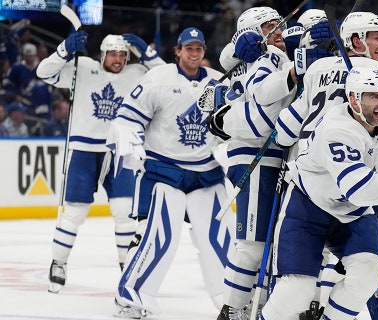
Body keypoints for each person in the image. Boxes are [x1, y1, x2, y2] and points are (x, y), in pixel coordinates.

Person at [260, 66, 378, 320]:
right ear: (353, 98)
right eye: (373, 96)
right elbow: (357, 188)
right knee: (296, 291)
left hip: (351, 212)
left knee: (368, 273)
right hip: (308, 206)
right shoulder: (337, 129)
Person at [206, 7, 333, 320]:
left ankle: (264, 305)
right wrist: (242, 47)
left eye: (280, 25)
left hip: (278, 157)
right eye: (269, 27)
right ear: (251, 32)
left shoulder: (268, 55)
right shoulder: (258, 57)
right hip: (255, 156)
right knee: (253, 243)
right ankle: (232, 308)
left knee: (277, 242)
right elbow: (258, 98)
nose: (278, 30)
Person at [112, 27, 232, 318]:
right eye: (188, 48)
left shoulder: (219, 82)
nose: (194, 53)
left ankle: (232, 300)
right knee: (156, 237)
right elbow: (127, 117)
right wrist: (131, 145)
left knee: (219, 241)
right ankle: (130, 297)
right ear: (177, 51)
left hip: (206, 173)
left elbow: (235, 123)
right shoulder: (159, 78)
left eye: (198, 49)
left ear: (204, 52)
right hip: (164, 170)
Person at [36, 29, 165, 293]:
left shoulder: (137, 74)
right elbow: (43, 72)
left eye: (122, 55)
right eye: (113, 54)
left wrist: (148, 53)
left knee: (124, 214)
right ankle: (58, 263)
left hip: (121, 150)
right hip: (84, 149)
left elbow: (167, 78)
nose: (117, 59)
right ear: (103, 54)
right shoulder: (82, 67)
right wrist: (64, 48)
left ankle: (126, 269)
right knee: (74, 213)